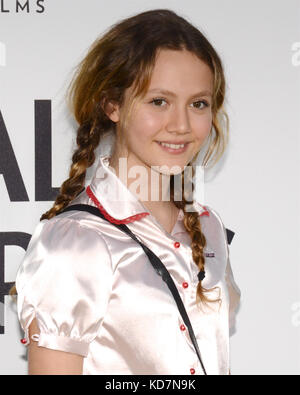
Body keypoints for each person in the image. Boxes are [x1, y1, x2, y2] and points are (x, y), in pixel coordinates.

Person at [14, 8, 241, 375]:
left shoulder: (209, 227)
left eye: (198, 104)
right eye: (159, 101)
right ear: (112, 104)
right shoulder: (76, 241)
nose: (181, 125)